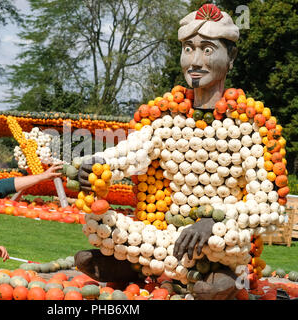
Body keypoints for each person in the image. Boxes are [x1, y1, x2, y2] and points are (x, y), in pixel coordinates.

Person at [75, 4, 286, 300]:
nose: (195, 61)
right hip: (166, 239)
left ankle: (215, 277)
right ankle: (144, 267)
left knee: (227, 242)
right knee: (98, 222)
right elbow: (130, 151)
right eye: (188, 49)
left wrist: (214, 221)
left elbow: (269, 207)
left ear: (231, 57)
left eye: (208, 50)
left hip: (220, 244)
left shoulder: (250, 125)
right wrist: (98, 165)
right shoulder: (165, 117)